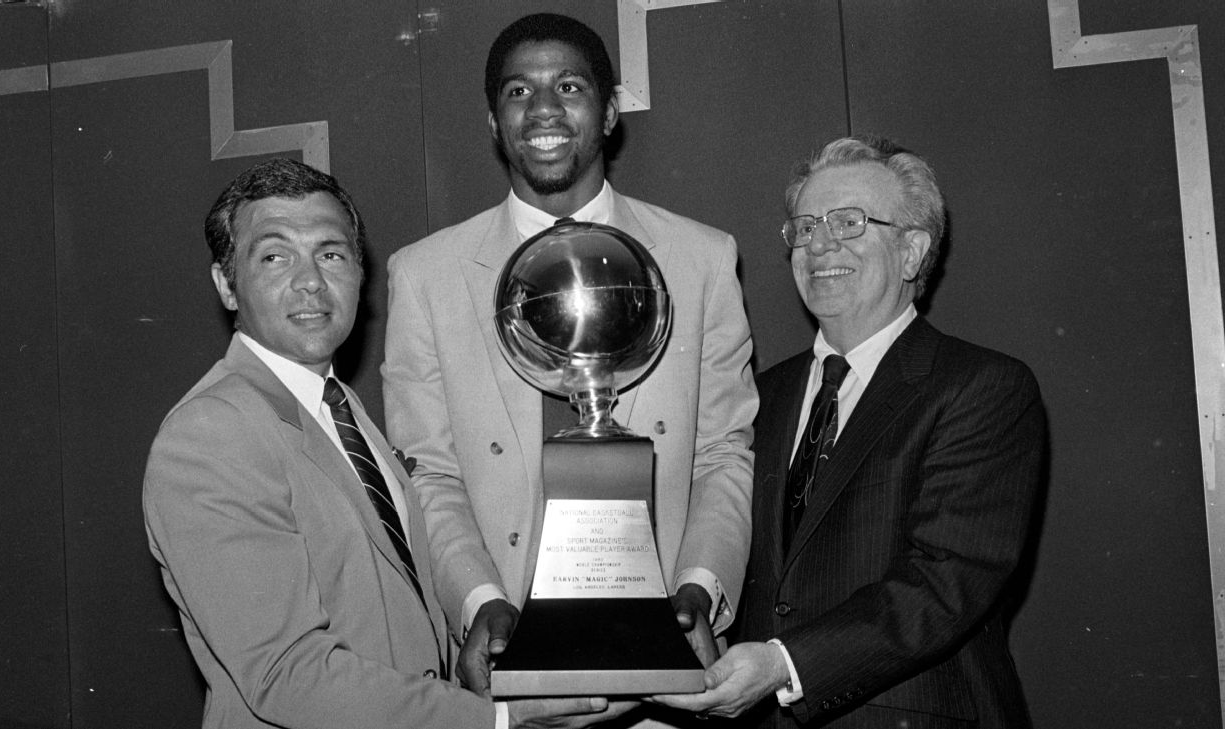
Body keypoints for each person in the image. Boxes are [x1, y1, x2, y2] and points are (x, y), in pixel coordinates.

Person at [143, 157, 620, 729]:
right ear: (226, 284)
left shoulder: (337, 404)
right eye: (274, 256)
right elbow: (286, 674)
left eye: (331, 254)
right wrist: (493, 721)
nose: (310, 280)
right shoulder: (211, 433)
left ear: (359, 273)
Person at [381, 11, 759, 710]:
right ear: (494, 121)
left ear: (609, 112)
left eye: (570, 86)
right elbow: (429, 471)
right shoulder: (425, 276)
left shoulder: (702, 259)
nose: (544, 109)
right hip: (509, 681)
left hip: (666, 679)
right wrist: (479, 602)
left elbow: (722, 452)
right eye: (518, 91)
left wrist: (698, 589)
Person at [652, 136, 1045, 727]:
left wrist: (784, 665)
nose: (819, 244)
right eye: (805, 227)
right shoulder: (759, 397)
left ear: (912, 252)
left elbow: (944, 583)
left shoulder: (982, 387)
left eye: (848, 222)